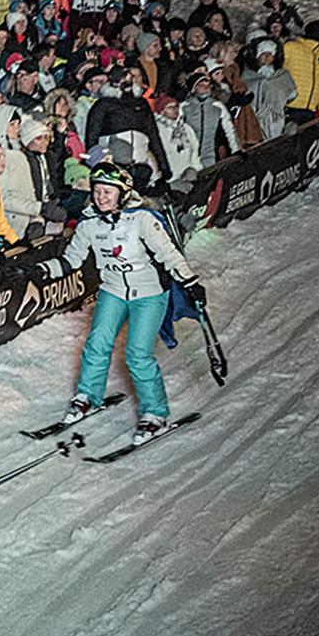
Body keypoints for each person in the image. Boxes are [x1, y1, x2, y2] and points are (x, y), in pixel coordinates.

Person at [28, 162, 205, 442]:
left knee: (137, 354)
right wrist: (39, 270)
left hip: (148, 294)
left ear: (122, 193)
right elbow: (71, 260)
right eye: (97, 190)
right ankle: (88, 396)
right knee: (97, 343)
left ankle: (155, 413)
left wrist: (191, 282)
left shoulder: (142, 219)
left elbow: (168, 254)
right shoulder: (89, 224)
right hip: (112, 291)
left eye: (108, 191)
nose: (101, 196)